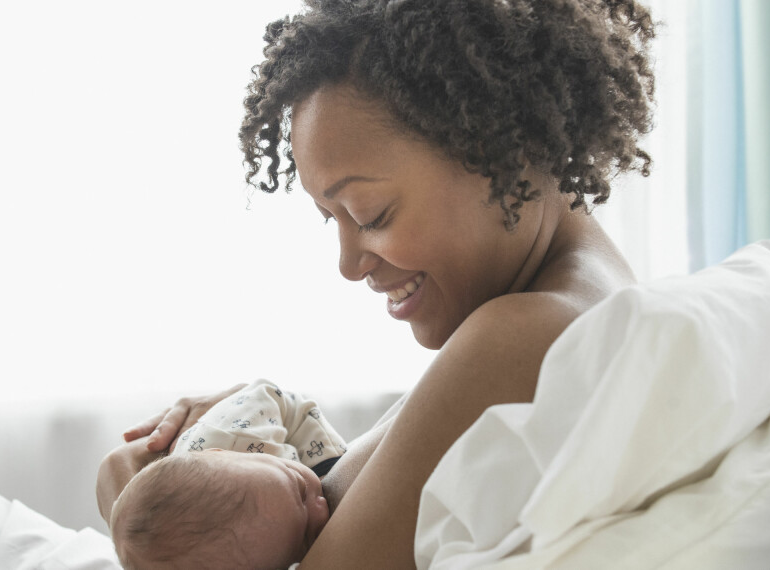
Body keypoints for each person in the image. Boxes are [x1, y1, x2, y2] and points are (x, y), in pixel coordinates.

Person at [98, 0, 655, 567]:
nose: (348, 263)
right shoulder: (552, 314)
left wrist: (136, 513)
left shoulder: (527, 332)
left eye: (370, 214)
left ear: (496, 148)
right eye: (329, 217)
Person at [103, 380, 348, 569]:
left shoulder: (233, 433)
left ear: (220, 451)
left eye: (301, 488)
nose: (320, 507)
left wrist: (328, 463)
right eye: (304, 538)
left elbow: (272, 395)